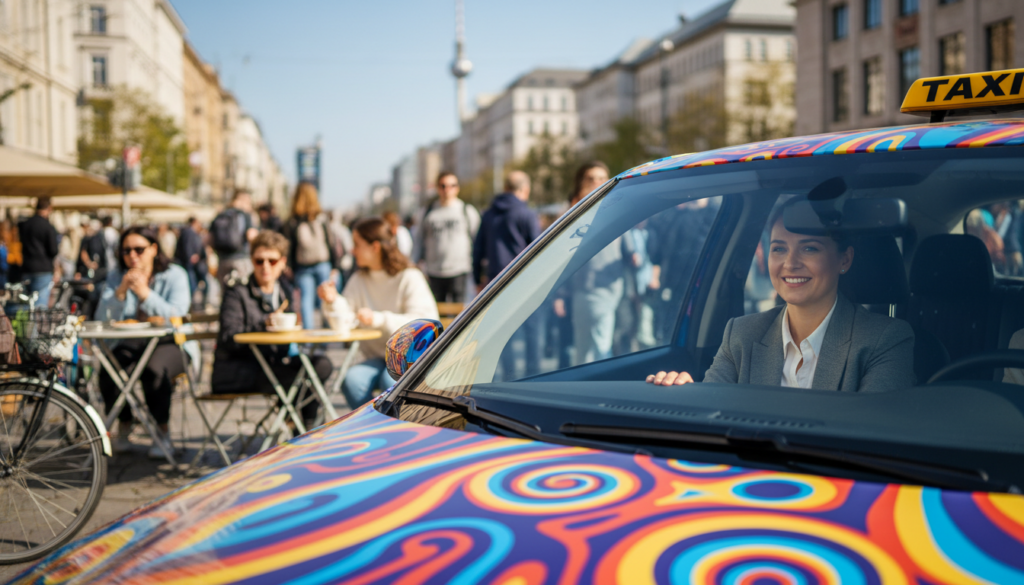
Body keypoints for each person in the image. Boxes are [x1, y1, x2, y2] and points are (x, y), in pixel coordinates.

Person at [647, 202, 915, 392]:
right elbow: (713, 409)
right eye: (778, 249)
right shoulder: (741, 334)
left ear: (844, 260)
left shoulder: (884, 340)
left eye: (809, 249)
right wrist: (689, 393)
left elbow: (872, 436)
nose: (790, 263)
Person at [211, 230, 332, 426]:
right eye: (259, 261)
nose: (265, 266)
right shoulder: (237, 292)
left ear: (283, 262)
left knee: (321, 365)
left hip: (274, 363)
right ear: (252, 261)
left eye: (272, 261)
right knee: (302, 378)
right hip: (238, 369)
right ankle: (308, 430)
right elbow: (228, 336)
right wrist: (264, 324)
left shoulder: (285, 291)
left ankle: (302, 427)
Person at [317, 217, 438, 409]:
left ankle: (394, 425)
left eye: (357, 244)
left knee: (390, 380)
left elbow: (424, 324)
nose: (352, 250)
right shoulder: (359, 279)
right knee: (352, 380)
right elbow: (346, 319)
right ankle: (373, 423)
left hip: (411, 359)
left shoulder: (409, 276)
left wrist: (379, 319)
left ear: (375, 247)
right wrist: (332, 301)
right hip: (377, 358)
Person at [95, 226, 194, 458]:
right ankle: (124, 423)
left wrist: (145, 294)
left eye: (139, 249)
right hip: (129, 340)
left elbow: (178, 316)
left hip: (171, 341)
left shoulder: (175, 275)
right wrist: (120, 293)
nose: (132, 256)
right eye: (126, 250)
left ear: (154, 249)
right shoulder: (116, 276)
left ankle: (162, 431)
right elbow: (101, 318)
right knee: (110, 370)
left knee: (155, 370)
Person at [474, 170, 542, 378]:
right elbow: (539, 248)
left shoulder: (488, 214)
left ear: (505, 188)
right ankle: (533, 376)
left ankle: (508, 377)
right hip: (525, 281)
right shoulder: (526, 214)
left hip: (496, 282)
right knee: (531, 331)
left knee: (502, 334)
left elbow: (478, 250)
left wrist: (477, 279)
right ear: (525, 189)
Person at [413, 171, 481, 303]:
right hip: (434, 272)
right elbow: (419, 240)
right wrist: (415, 264)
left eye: (452, 185)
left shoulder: (467, 211)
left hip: (459, 270)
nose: (447, 190)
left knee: (459, 312)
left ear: (457, 188)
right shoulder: (427, 212)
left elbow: (477, 241)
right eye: (443, 186)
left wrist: (479, 269)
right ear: (437, 188)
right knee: (436, 310)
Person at [284, 182, 338, 329]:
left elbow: (289, 246)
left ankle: (308, 336)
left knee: (306, 301)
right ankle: (328, 332)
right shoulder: (321, 218)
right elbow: (331, 242)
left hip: (302, 266)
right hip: (323, 263)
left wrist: (289, 266)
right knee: (326, 299)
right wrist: (335, 265)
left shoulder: (293, 221)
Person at [211, 190, 259, 288]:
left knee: (224, 291)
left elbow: (208, 238)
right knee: (242, 290)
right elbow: (251, 236)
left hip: (222, 260)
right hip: (241, 259)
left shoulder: (221, 214)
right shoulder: (245, 214)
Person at [18, 197, 59, 307]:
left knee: (27, 303)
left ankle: (28, 319)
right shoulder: (48, 226)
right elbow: (53, 250)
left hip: (27, 266)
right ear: (49, 208)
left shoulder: (25, 225)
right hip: (43, 268)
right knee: (39, 303)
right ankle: (35, 319)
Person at [174, 216, 207, 296]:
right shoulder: (189, 232)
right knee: (192, 284)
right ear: (194, 222)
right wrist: (191, 257)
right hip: (189, 263)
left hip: (191, 262)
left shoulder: (191, 232)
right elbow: (187, 246)